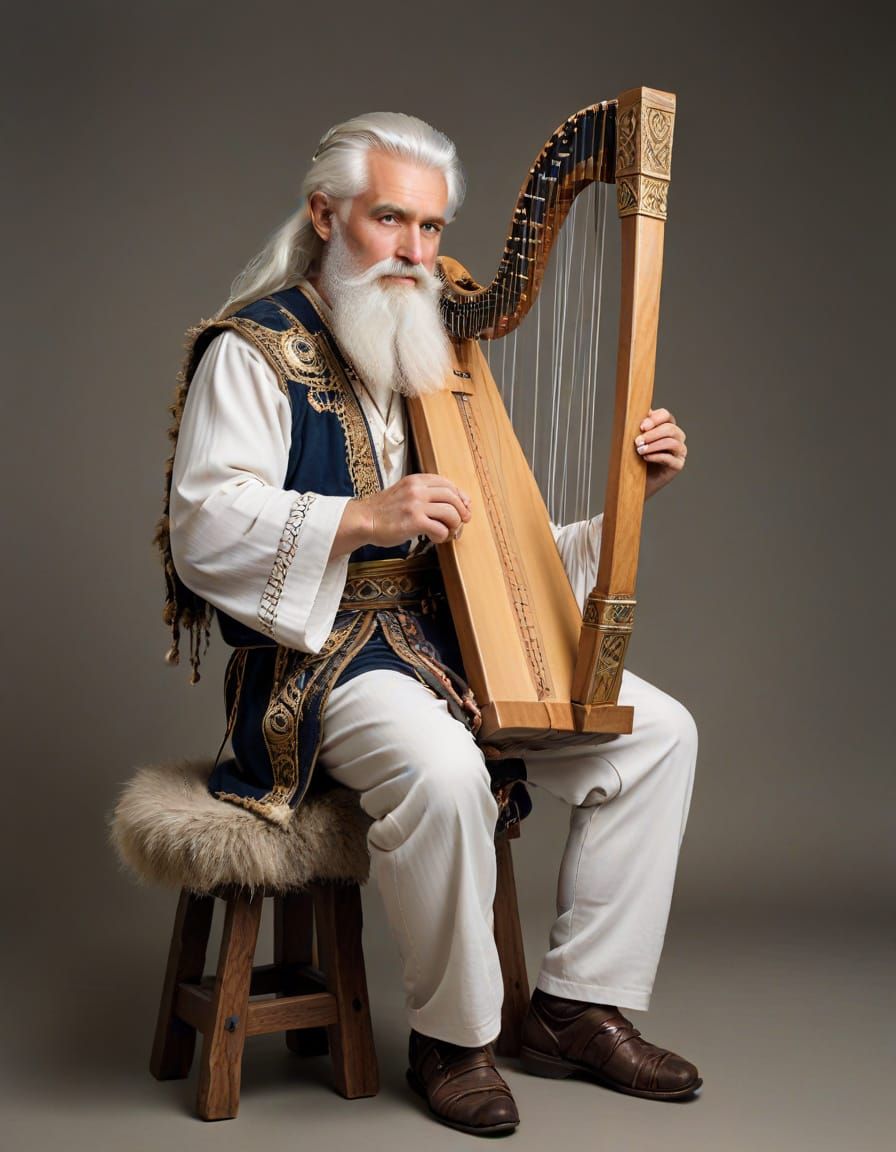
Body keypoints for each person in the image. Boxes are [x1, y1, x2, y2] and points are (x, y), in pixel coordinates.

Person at [161, 112, 698, 1137]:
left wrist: (629, 500)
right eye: (388, 220)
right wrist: (361, 518)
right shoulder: (253, 350)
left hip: (449, 644)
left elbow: (510, 557)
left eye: (431, 225)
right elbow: (202, 528)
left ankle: (574, 1005)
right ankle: (456, 1040)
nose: (415, 252)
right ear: (325, 214)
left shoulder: (429, 349)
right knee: (444, 770)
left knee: (661, 731)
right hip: (319, 668)